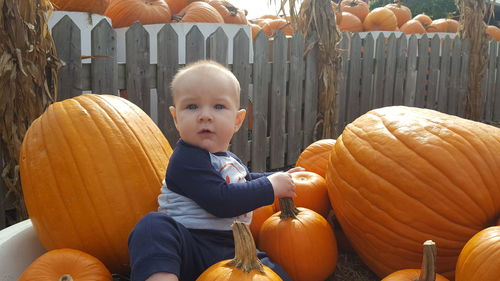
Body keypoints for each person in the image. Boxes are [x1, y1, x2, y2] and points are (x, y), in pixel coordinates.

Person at [128, 60, 302, 281]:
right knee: (152, 227)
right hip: (186, 248)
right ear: (176, 118)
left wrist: (279, 177)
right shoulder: (186, 158)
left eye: (218, 107)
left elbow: (245, 181)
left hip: (232, 249)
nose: (205, 115)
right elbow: (221, 201)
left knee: (271, 272)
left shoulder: (230, 160)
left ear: (237, 120)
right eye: (192, 106)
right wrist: (271, 186)